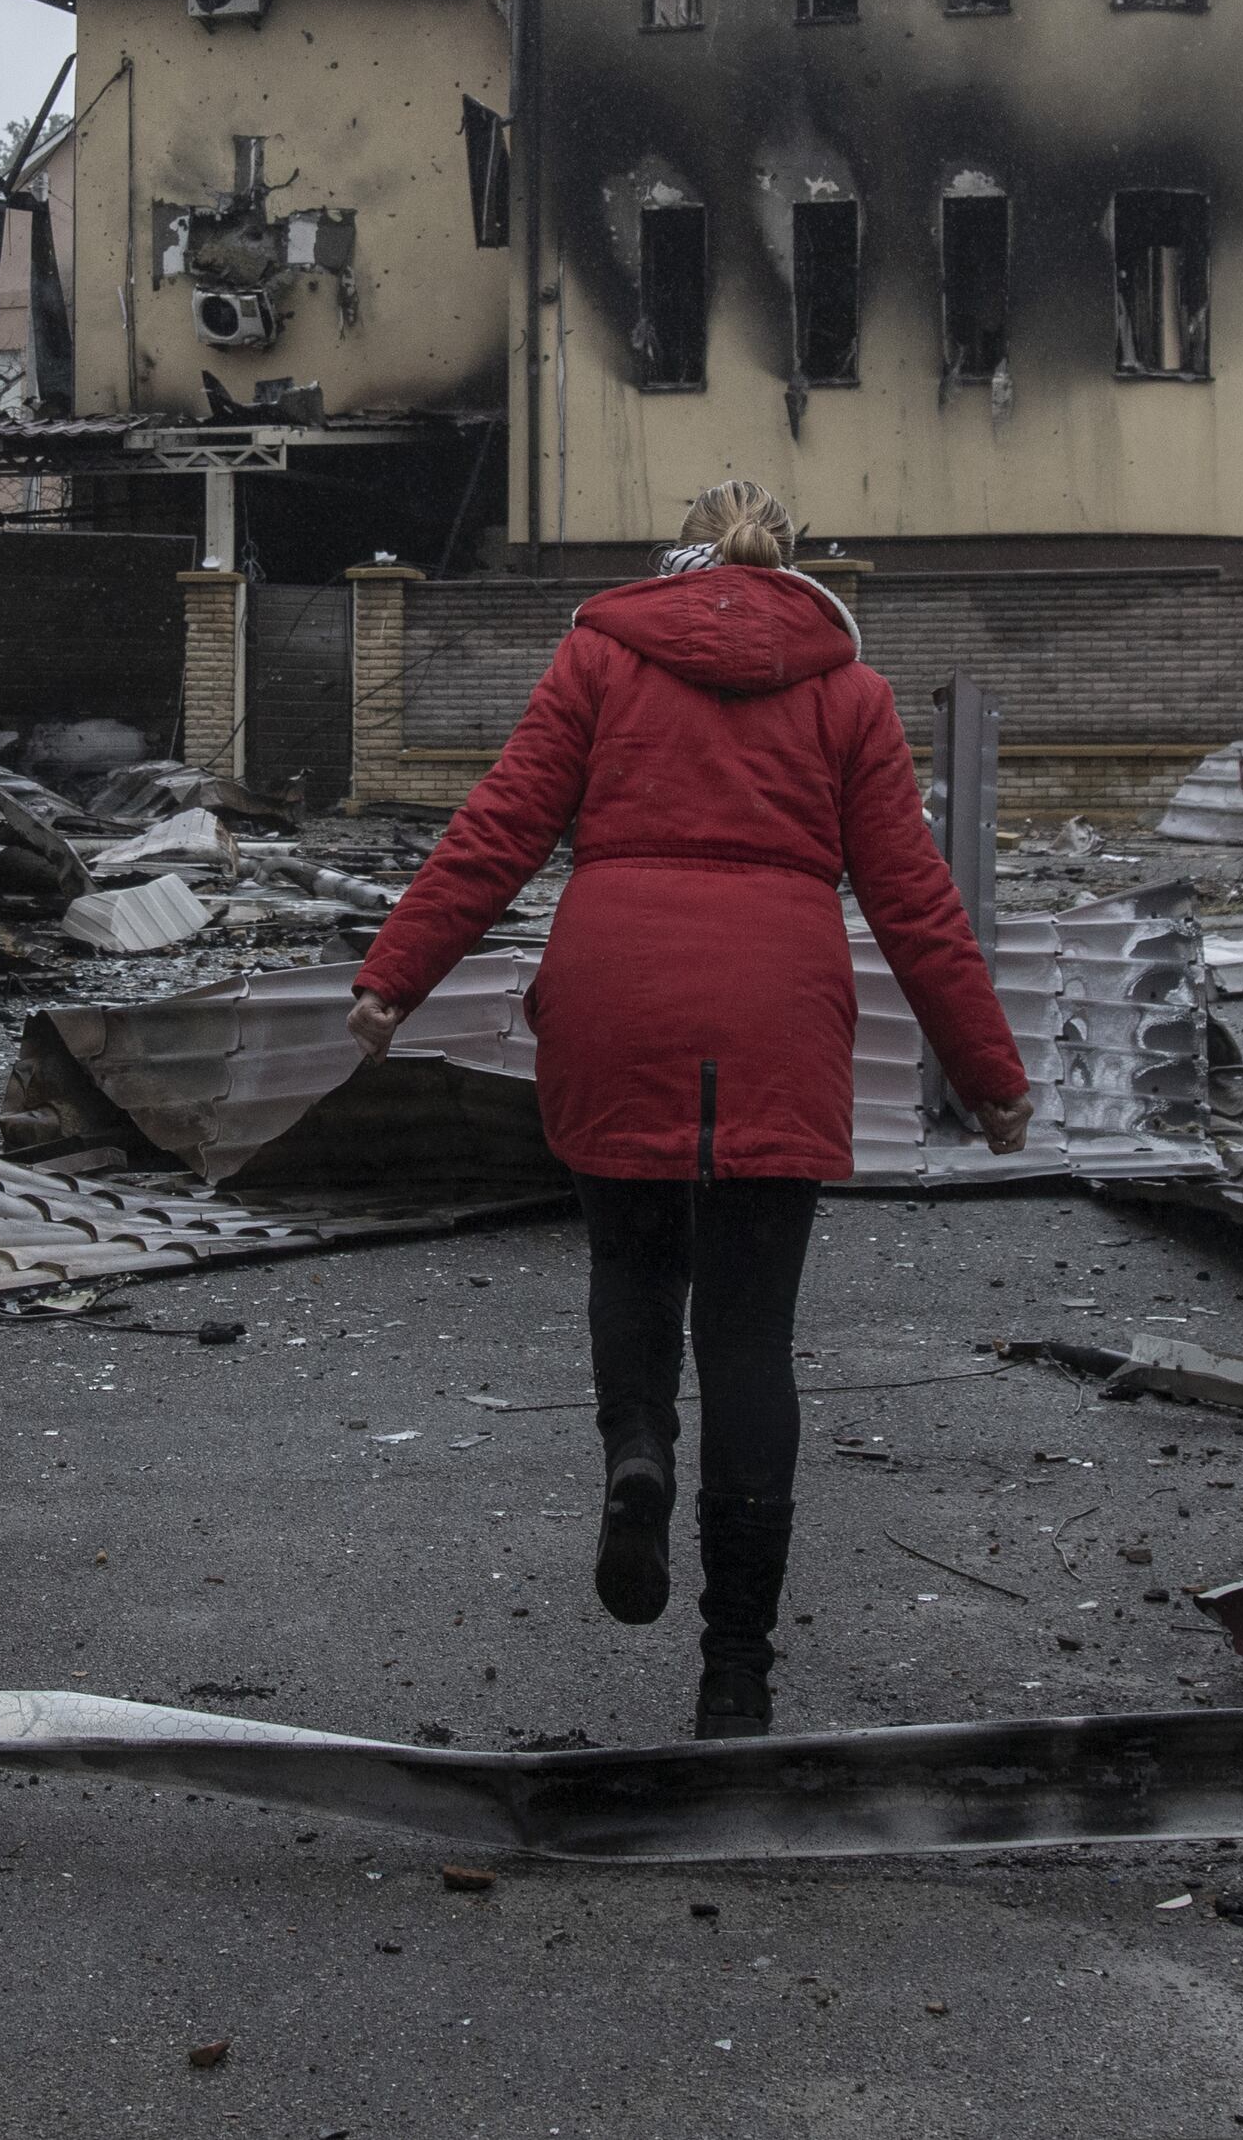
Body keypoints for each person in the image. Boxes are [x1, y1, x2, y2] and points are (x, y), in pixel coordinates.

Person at [343, 480, 1031, 1737]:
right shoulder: (851, 695)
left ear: (677, 561)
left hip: (619, 996)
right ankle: (735, 1675)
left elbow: (497, 828)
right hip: (776, 1013)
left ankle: (636, 1457)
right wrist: (987, 1076)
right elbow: (912, 901)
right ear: (795, 570)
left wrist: (396, 975)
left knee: (632, 1264)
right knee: (752, 1337)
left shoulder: (600, 658)